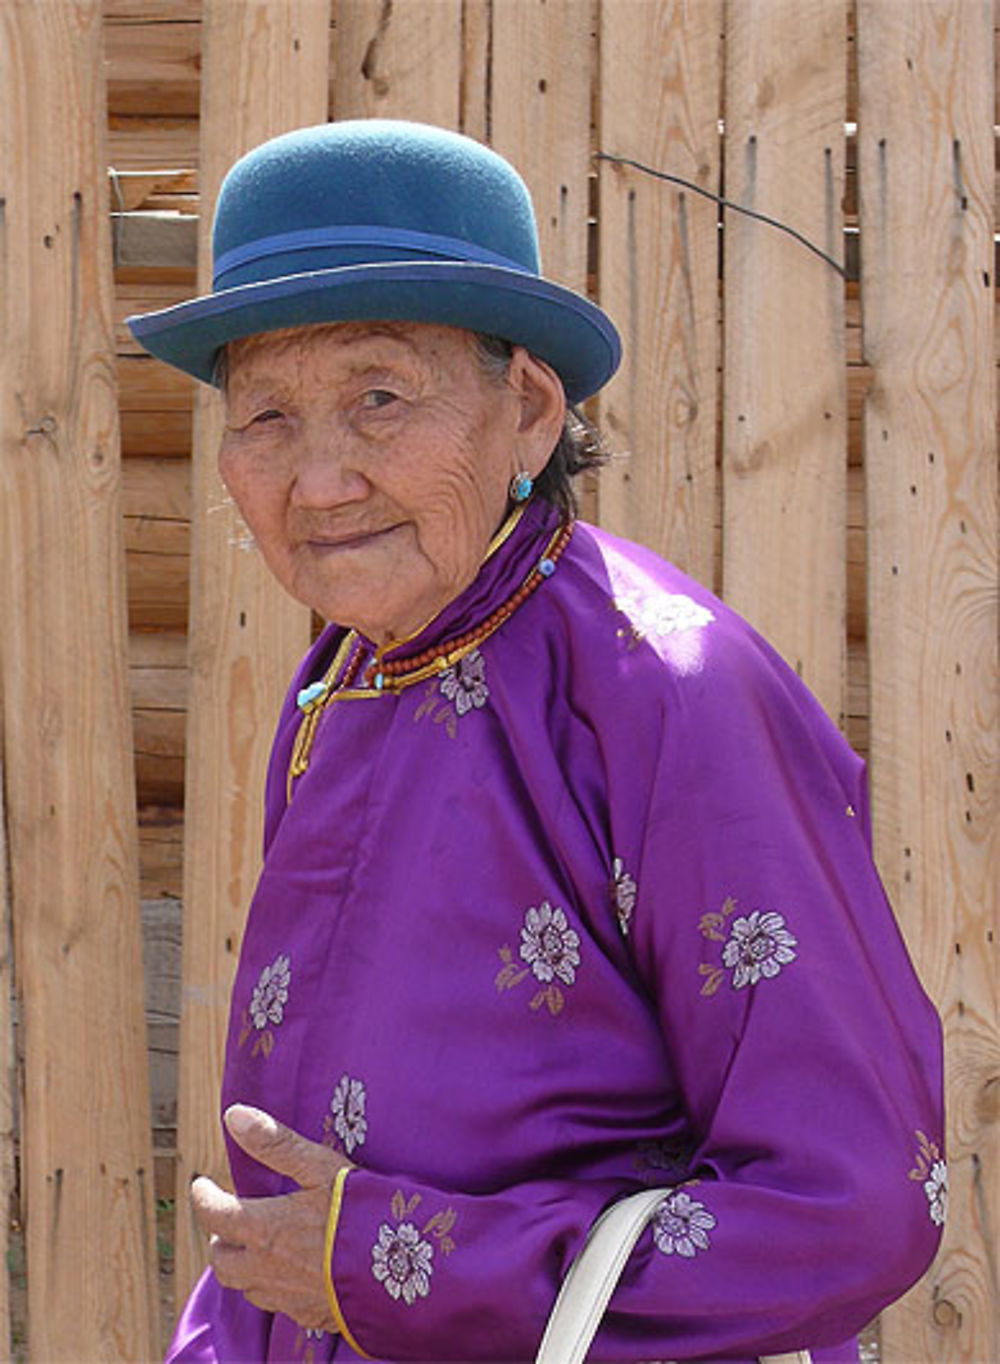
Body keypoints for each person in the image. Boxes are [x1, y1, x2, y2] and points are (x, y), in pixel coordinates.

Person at [130, 120, 945, 1364]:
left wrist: (389, 1265)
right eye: (267, 418)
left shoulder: (669, 694)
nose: (317, 479)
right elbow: (291, 1200)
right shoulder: (346, 677)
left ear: (523, 407)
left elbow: (850, 1205)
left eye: (378, 398)